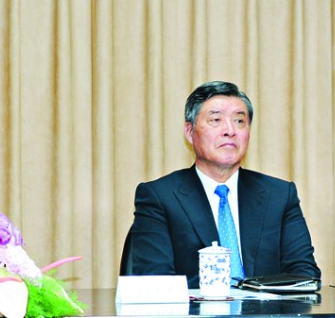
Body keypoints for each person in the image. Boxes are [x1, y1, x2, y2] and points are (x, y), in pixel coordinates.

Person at [126, 81, 320, 286]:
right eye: (216, 120)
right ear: (190, 132)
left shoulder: (279, 195)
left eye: (239, 121)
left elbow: (304, 274)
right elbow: (156, 281)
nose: (230, 130)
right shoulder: (159, 196)